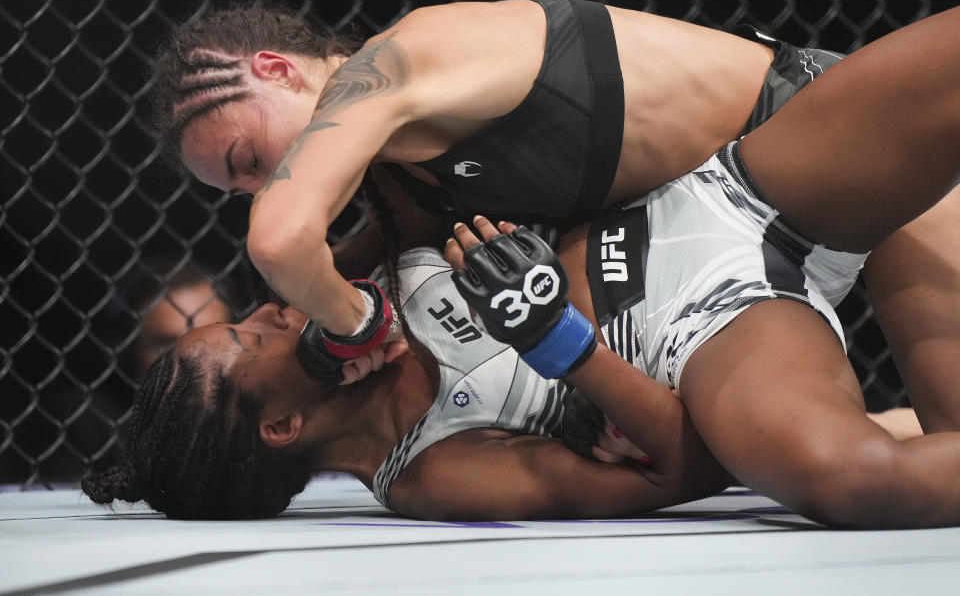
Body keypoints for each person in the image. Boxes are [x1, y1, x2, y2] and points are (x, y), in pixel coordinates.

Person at [445, 2, 960, 529]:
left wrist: (357, 331)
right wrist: (557, 341)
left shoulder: (378, 221)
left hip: (717, 178)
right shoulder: (419, 471)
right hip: (694, 331)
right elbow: (685, 473)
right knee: (860, 481)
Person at [146, 0, 841, 352]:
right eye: (240, 190)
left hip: (821, 131)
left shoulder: (390, 69)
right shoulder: (401, 175)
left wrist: (359, 329)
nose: (264, 188)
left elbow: (279, 243)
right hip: (744, 232)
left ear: (276, 68)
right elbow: (354, 263)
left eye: (251, 163)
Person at [80, 247, 730, 520]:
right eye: (250, 340)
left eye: (243, 316)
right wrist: (554, 336)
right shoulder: (434, 473)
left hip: (681, 199)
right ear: (280, 425)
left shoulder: (339, 297)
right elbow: (678, 472)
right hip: (729, 318)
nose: (269, 312)